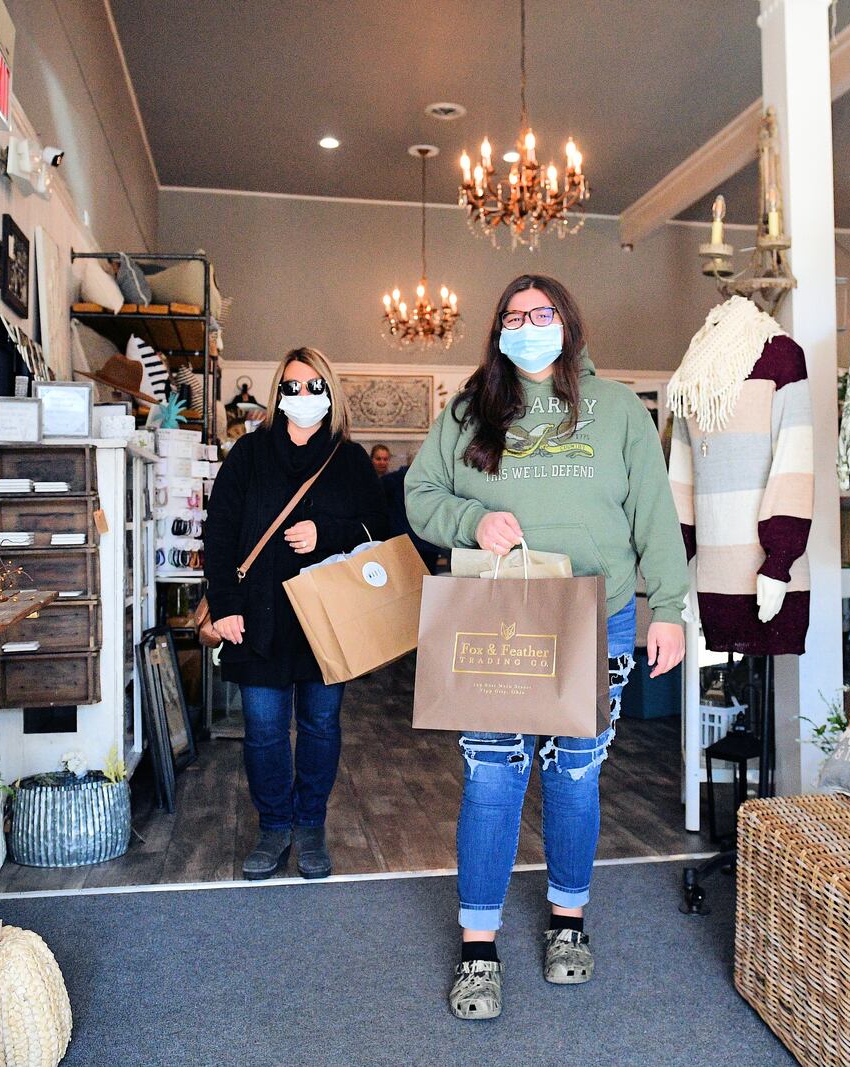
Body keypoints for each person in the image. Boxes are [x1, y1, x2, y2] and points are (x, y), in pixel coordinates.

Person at [407, 274, 689, 1020]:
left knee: (574, 776)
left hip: (600, 617)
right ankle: (478, 947)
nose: (528, 324)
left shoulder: (620, 408)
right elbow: (420, 494)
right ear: (497, 328)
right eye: (513, 314)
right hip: (499, 616)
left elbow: (654, 513)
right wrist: (472, 520)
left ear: (568, 320)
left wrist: (670, 609)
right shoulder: (469, 410)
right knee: (493, 776)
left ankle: (568, 924)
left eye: (542, 312)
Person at [203, 347, 387, 881]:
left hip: (328, 621)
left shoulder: (349, 460)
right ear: (277, 393)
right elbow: (219, 534)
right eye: (292, 385)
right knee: (262, 730)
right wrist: (227, 607)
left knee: (320, 725)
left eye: (313, 386)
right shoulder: (249, 454)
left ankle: (310, 825)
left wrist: (326, 532)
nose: (302, 396)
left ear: (330, 392)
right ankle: (273, 826)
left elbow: (381, 533)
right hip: (257, 620)